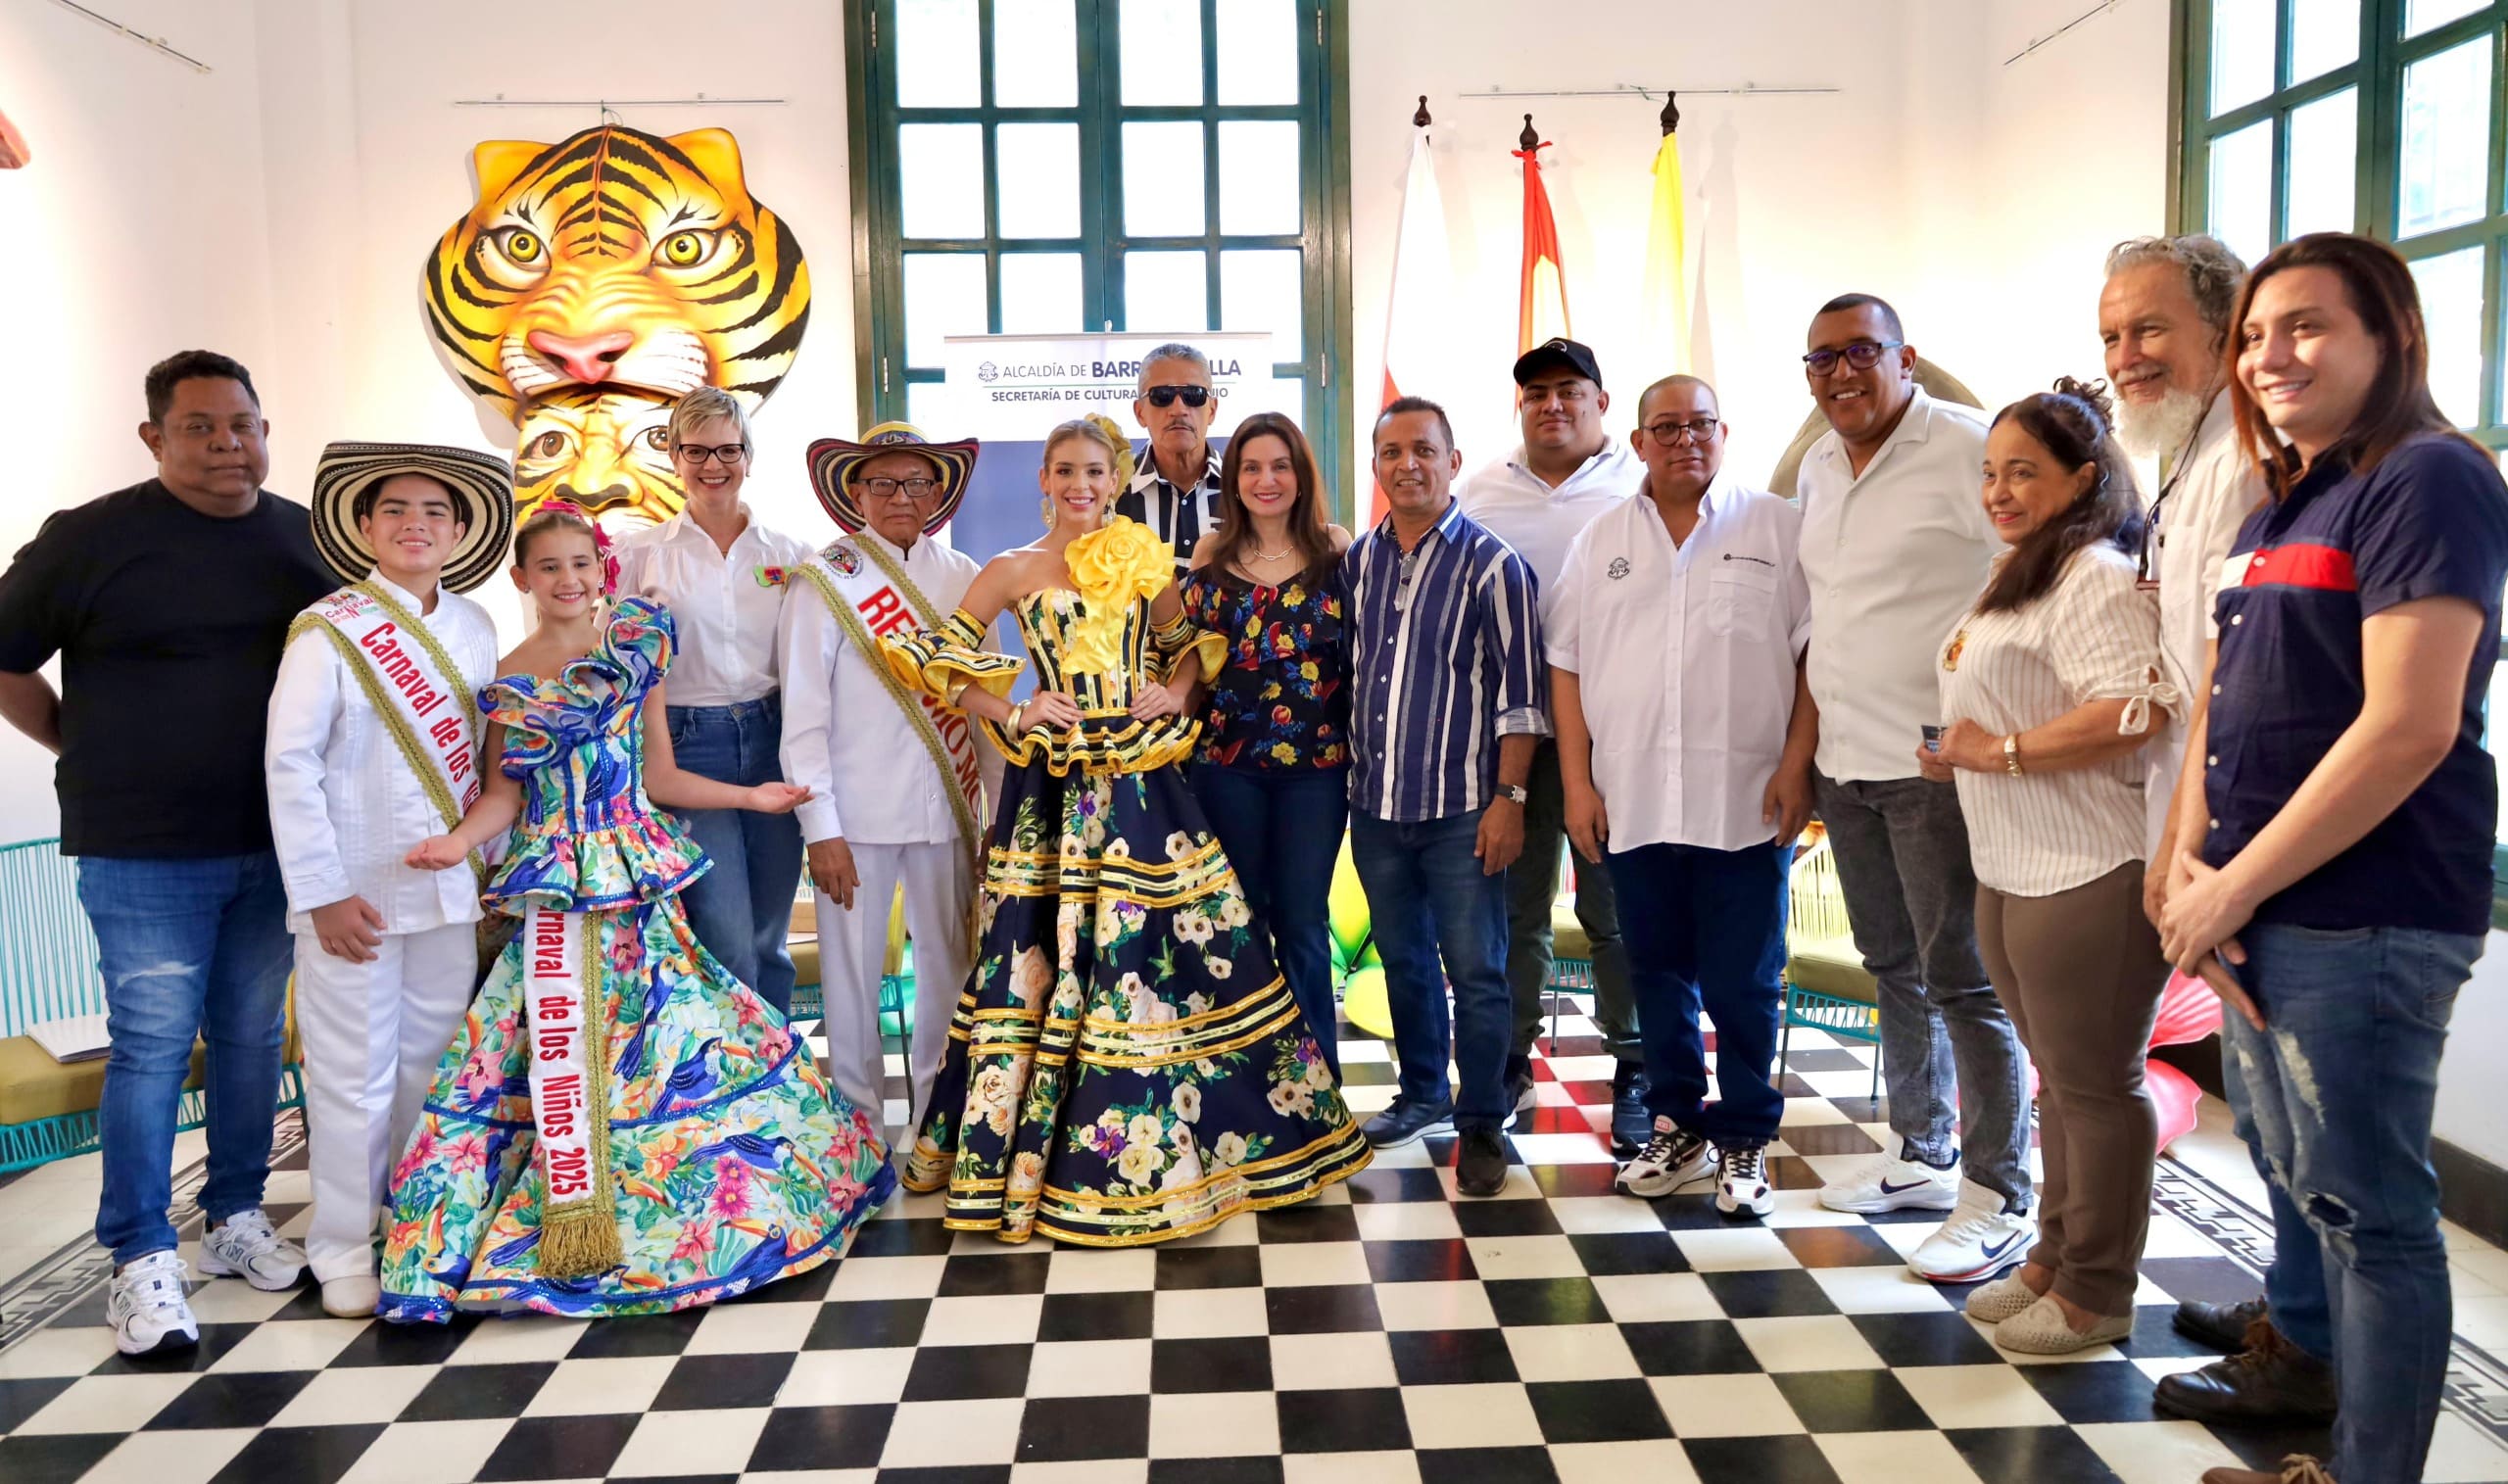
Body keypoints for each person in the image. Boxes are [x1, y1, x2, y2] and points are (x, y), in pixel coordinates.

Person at [2158, 233, 2508, 1484]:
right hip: (2256, 908)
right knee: (2314, 1194)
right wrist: (2180, 861)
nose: (2268, 355)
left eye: (2304, 326)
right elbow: (2223, 693)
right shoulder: (2289, 495)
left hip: (2360, 915)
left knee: (2374, 1220)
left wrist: (2230, 888)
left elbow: (2409, 725)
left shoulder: (2429, 479)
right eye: (2253, 334)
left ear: (2391, 336)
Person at [378, 502, 892, 1319]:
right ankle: (548, 1226)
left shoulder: (632, 651)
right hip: (557, 898)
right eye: (549, 568)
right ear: (522, 579)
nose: (568, 580)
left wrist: (751, 797)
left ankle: (685, 1220)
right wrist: (455, 842)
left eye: (581, 564)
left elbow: (661, 779)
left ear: (601, 569)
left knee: (675, 1036)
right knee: (551, 1053)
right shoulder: (509, 680)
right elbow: (502, 796)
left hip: (634, 878)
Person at [880, 414, 1368, 1245]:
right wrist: (1016, 704)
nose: (1081, 484)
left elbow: (1189, 652)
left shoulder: (1144, 561)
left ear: (1116, 480)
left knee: (1165, 956)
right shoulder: (1007, 570)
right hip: (1052, 784)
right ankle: (1039, 1155)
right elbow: (937, 662)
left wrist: (1174, 694)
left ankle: (1203, 1143)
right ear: (1044, 477)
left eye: (1096, 472)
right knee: (1044, 954)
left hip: (1146, 786)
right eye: (1066, 469)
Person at [0, 351, 330, 1355]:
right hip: (142, 851)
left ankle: (234, 1217)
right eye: (200, 428)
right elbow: (7, 660)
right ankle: (140, 1258)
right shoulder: (91, 538)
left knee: (249, 1041)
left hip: (272, 845)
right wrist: (83, 748)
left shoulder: (307, 538)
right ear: (154, 438)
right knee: (149, 1047)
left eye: (244, 424)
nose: (229, 445)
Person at [2101, 238, 2324, 1412]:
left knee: (2302, 1127)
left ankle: (2306, 1351)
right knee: (2268, 1106)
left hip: (2252, 831)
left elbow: (2232, 672)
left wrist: (2191, 845)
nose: (2124, 358)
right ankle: (2294, 1306)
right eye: (2110, 336)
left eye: (2148, 331)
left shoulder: (2253, 464)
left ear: (2221, 329)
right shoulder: (2177, 460)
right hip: (2196, 814)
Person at [1917, 380, 2175, 1355]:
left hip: (2087, 868)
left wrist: (2002, 752)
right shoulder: (2023, 571)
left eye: (2023, 472)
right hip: (2014, 864)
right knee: (2058, 1084)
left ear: (2083, 477)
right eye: (1990, 473)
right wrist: (1965, 750)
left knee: (2095, 1084)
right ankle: (2051, 1262)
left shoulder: (2096, 575)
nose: (1999, 491)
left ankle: (2097, 1294)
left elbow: (2131, 709)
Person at [1794, 294, 2036, 1281]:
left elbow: (2028, 575)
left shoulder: (1967, 448)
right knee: (1890, 958)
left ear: (1906, 357)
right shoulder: (1816, 462)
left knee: (1963, 978)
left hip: (1933, 764)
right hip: (1847, 759)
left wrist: (1982, 708)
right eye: (1821, 360)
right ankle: (1921, 1153)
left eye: (1860, 353)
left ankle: (1996, 1193)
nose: (1841, 374)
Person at [1550, 375, 1813, 1217]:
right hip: (1632, 801)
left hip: (1743, 801)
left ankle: (1742, 1138)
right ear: (1637, 441)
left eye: (1700, 424)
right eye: (1666, 427)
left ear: (1724, 432)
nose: (1684, 440)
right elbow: (1567, 664)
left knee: (1744, 980)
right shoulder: (1600, 541)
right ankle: (1678, 1124)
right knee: (1655, 973)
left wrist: (1798, 763)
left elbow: (1814, 656)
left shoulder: (1776, 528)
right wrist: (1578, 783)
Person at [265, 443, 510, 1318]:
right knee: (351, 1075)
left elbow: (494, 762)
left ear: (459, 529)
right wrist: (321, 892)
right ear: (367, 527)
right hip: (352, 895)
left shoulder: (478, 626)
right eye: (397, 511)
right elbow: (288, 764)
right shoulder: (326, 627)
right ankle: (339, 1244)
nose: (416, 525)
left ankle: (418, 1230)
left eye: (435, 512)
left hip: (448, 894)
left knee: (430, 1072)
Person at [1344, 397, 1545, 1198]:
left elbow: (1523, 700)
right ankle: (1423, 1091)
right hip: (1378, 805)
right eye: (1391, 451)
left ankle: (1482, 1120)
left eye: (1423, 450)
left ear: (1453, 461)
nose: (1407, 465)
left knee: (1478, 968)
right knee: (1403, 959)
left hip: (1464, 804)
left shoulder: (1495, 565)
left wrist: (1511, 798)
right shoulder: (1360, 560)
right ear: (1377, 466)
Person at [1455, 337, 1648, 1154]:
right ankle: (1507, 1057)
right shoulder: (1481, 489)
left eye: (1571, 391)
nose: (1553, 405)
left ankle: (1636, 1063)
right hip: (1514, 740)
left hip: (1616, 735)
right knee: (1515, 912)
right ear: (1520, 406)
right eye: (1537, 394)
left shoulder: (1641, 486)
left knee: (1617, 913)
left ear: (1602, 403)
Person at [781, 422, 989, 1131]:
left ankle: (940, 1124)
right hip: (856, 820)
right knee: (850, 982)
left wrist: (990, 817)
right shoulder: (825, 579)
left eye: (918, 482)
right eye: (883, 483)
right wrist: (821, 830)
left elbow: (985, 704)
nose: (902, 496)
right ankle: (857, 1132)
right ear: (856, 494)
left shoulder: (965, 575)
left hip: (951, 810)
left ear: (939, 492)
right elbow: (803, 717)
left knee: (952, 975)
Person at [613, 387, 815, 1014]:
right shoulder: (637, 556)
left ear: (749, 457)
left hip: (772, 737)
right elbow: (617, 670)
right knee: (723, 933)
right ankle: (736, 1093)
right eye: (696, 450)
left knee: (770, 936)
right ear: (673, 456)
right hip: (684, 746)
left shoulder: (792, 557)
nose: (713, 465)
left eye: (728, 449)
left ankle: (781, 1088)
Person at [1179, 411, 1353, 1077]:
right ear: (1235, 480)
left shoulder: (1337, 550)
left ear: (1301, 474)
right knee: (1238, 923)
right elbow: (1189, 664)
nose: (1266, 478)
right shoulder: (1209, 554)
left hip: (1317, 771)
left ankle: (1317, 1086)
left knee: (1304, 925)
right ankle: (1245, 1085)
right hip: (1228, 769)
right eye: (1252, 466)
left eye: (1280, 464)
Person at [1117, 343, 1225, 577]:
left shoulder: (1245, 490)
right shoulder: (1112, 492)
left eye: (1193, 395)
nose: (1178, 409)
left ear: (1213, 410)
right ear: (1140, 412)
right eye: (1162, 396)